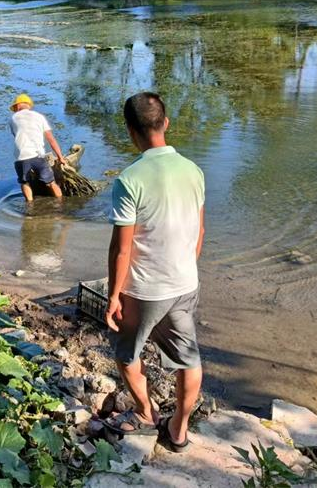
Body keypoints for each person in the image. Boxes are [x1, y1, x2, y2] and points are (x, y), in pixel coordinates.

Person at [103, 92, 205, 454]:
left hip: (145, 290)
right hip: (185, 281)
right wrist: (185, 268)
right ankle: (178, 430)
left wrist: (114, 295)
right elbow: (200, 232)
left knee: (126, 354)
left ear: (130, 131)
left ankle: (146, 414)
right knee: (188, 358)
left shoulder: (130, 179)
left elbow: (122, 248)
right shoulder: (193, 170)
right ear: (166, 123)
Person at [9, 93, 66, 201]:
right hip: (38, 155)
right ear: (29, 105)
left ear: (17, 106)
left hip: (22, 157)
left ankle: (29, 206)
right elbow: (51, 139)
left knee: (25, 183)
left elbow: (16, 136)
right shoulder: (39, 117)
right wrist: (60, 157)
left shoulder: (13, 119)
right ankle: (60, 204)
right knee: (51, 183)